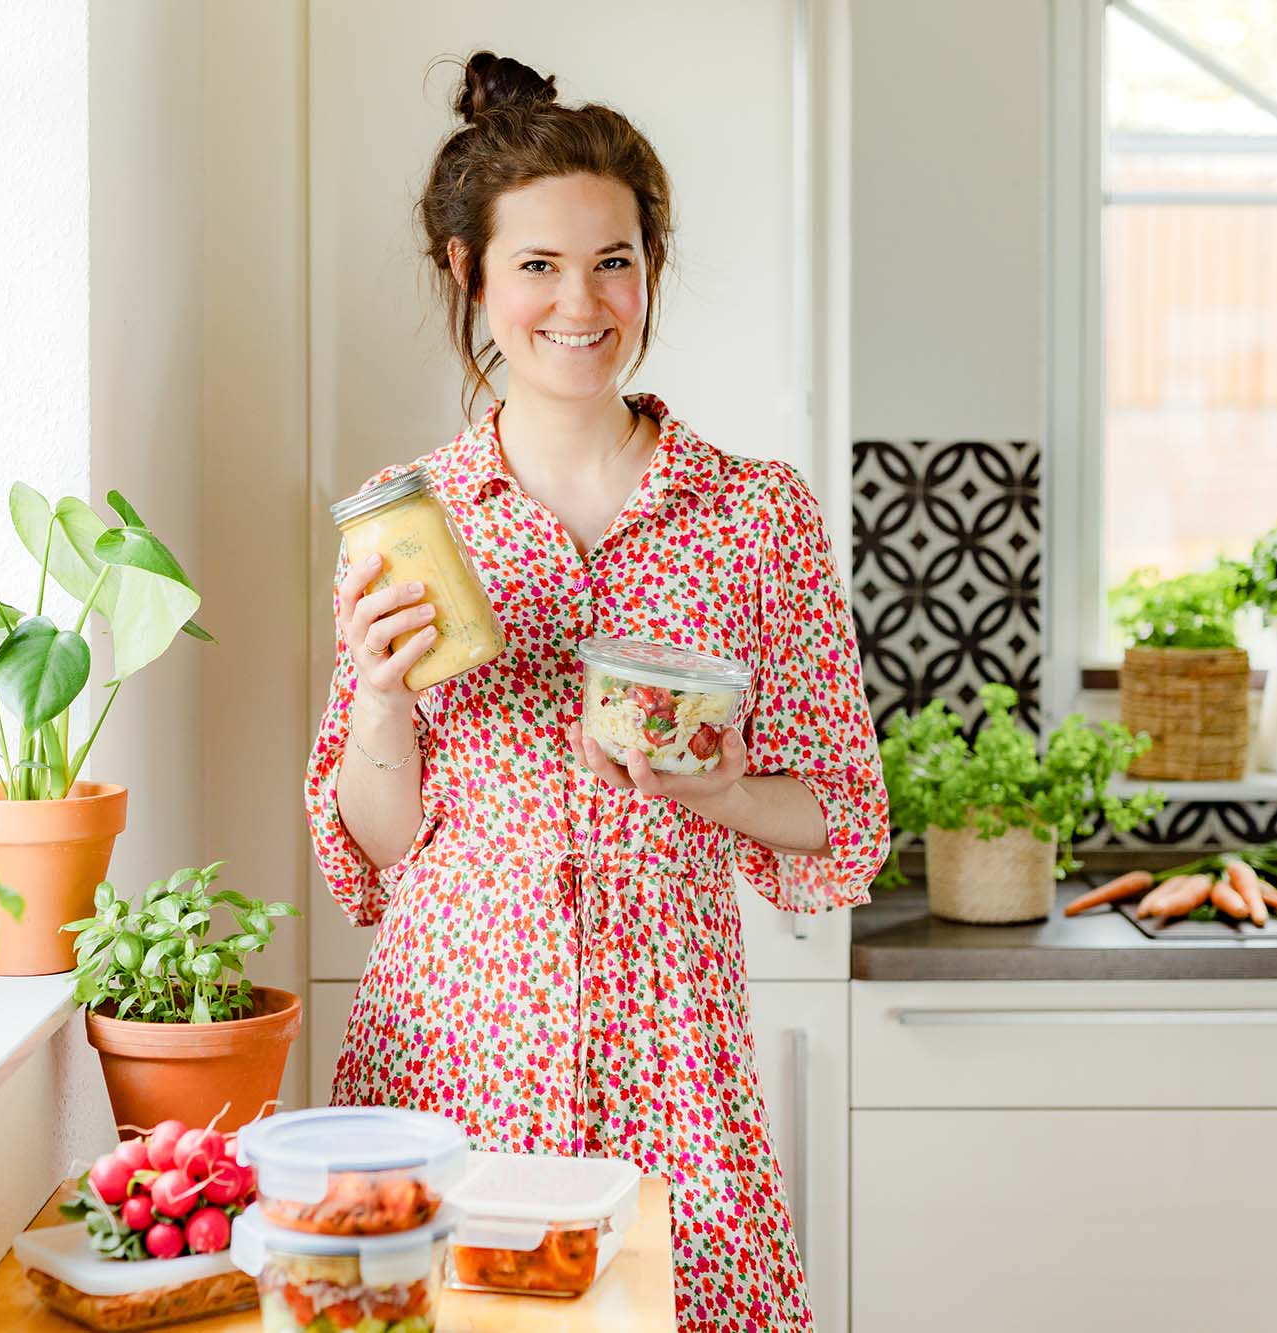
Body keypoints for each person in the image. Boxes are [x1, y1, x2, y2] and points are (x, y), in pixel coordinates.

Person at [304, 50, 888, 1332]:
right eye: (537, 264)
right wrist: (383, 701)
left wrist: (722, 789)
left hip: (672, 1053)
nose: (580, 302)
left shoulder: (753, 517)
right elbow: (381, 846)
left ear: (649, 269)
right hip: (455, 1045)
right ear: (469, 272)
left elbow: (843, 815)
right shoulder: (407, 522)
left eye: (612, 261)